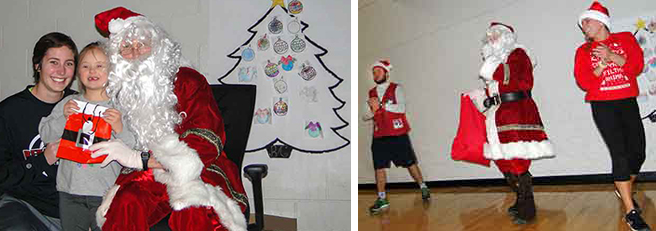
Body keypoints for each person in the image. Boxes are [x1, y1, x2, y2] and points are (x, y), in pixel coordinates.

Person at [88, 7, 248, 231]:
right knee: (127, 203)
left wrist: (148, 160)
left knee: (193, 209)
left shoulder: (188, 80)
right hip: (144, 175)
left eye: (141, 44)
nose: (135, 52)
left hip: (198, 170)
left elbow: (207, 139)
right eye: (126, 47)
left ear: (157, 46)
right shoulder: (119, 89)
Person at [39, 42, 136, 231]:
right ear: (78, 72)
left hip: (105, 192)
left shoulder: (120, 108)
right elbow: (45, 134)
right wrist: (63, 119)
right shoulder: (69, 103)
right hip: (69, 191)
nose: (92, 71)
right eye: (85, 66)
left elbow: (132, 148)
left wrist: (119, 127)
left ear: (113, 70)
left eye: (100, 65)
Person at [464, 22, 554, 224]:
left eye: (495, 35)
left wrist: (490, 65)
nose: (491, 39)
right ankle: (521, 199)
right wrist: (483, 98)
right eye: (489, 36)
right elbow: (496, 86)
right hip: (496, 114)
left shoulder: (519, 54)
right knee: (502, 160)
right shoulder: (496, 60)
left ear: (506, 37)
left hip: (517, 112)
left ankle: (528, 207)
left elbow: (512, 79)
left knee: (517, 159)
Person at [574, 2, 650, 230]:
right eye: (582, 24)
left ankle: (623, 186)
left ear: (601, 21)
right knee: (619, 154)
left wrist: (611, 55)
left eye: (587, 21)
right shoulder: (583, 51)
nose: (583, 26)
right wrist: (601, 64)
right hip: (602, 105)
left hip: (627, 101)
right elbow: (585, 82)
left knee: (637, 152)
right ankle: (630, 210)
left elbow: (636, 67)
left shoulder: (626, 39)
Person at [0, 32, 78, 230]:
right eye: (54, 62)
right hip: (24, 205)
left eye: (68, 63)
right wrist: (43, 160)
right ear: (37, 65)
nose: (61, 71)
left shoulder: (82, 105)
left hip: (73, 209)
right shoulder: (9, 112)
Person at [363, 59, 430, 214]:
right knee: (379, 167)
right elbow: (364, 116)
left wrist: (381, 105)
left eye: (378, 71)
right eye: (373, 72)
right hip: (379, 135)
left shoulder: (396, 88)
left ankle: (423, 186)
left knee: (410, 163)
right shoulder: (371, 93)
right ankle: (382, 198)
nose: (375, 74)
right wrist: (371, 110)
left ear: (386, 73)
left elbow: (401, 108)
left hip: (397, 133)